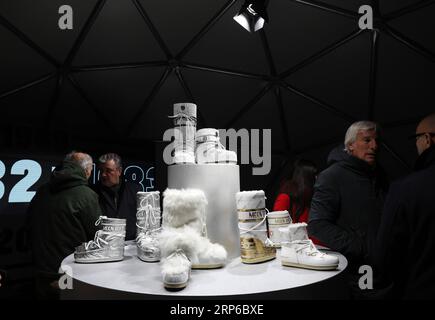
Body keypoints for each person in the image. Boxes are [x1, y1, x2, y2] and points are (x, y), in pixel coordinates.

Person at [308, 121, 388, 298]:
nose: (374, 146)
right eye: (367, 140)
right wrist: (362, 248)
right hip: (358, 270)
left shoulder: (379, 174)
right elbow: (317, 224)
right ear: (350, 145)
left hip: (385, 268)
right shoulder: (332, 177)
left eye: (377, 141)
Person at [373, 113, 435, 299]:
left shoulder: (406, 188)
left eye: (416, 139)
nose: (374, 146)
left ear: (427, 139)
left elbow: (385, 257)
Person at [27, 151, 102, 299]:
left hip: (40, 272)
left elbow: (28, 222)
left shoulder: (43, 190)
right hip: (69, 274)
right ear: (86, 171)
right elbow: (99, 237)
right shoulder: (86, 195)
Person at [92, 153, 141, 240]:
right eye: (101, 170)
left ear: (119, 171)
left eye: (108, 171)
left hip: (131, 245)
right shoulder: (93, 193)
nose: (103, 174)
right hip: (105, 246)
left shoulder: (135, 190)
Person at [272, 159, 322, 244]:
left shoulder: (312, 198)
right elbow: (277, 232)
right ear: (306, 178)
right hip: (292, 250)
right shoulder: (285, 198)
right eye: (315, 175)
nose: (318, 179)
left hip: (312, 248)